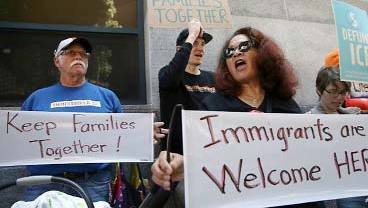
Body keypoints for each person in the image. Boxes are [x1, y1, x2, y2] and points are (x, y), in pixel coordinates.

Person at [153, 27, 322, 208]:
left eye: (243, 46)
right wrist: (185, 164)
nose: (235, 53)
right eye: (229, 51)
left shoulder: (286, 105)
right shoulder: (212, 106)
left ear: (262, 53)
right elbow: (205, 160)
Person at [22, 37, 167, 202]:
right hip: (44, 183)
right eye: (71, 53)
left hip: (94, 183)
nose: (79, 57)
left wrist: (142, 134)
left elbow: (121, 136)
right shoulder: (36, 99)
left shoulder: (107, 97)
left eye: (83, 54)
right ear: (57, 61)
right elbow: (20, 139)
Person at [309, 53, 368, 208]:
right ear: (319, 91)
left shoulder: (353, 114)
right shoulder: (306, 121)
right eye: (332, 91)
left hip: (367, 188)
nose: (338, 97)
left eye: (342, 92)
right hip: (339, 193)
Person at [158, 19, 216, 154]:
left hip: (209, 152)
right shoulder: (168, 74)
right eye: (195, 43)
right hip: (177, 156)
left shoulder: (213, 79)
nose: (200, 48)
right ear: (180, 49)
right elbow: (171, 76)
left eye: (202, 44)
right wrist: (191, 35)